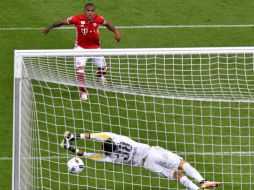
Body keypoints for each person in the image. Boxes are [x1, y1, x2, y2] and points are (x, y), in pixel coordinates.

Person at [60, 131, 222, 190]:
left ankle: (196, 189)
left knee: (176, 175)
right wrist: (76, 136)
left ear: (104, 149)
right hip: (153, 153)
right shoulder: (117, 138)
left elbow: (88, 154)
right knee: (182, 163)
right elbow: (94, 136)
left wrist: (70, 148)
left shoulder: (110, 158)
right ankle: (202, 181)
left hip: (147, 165)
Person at [42, 3, 121, 100]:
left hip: (95, 48)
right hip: (80, 49)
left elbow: (108, 24)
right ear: (84, 11)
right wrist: (49, 27)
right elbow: (61, 22)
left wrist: (116, 31)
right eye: (88, 10)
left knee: (103, 68)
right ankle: (83, 92)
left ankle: (99, 74)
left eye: (92, 11)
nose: (90, 13)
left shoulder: (98, 18)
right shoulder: (77, 18)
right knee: (80, 71)